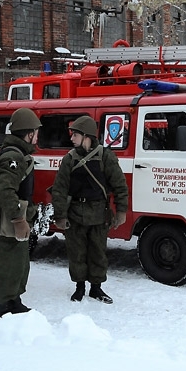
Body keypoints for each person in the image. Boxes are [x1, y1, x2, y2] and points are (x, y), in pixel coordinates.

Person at [51, 115, 128, 304]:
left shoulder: (105, 156)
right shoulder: (69, 159)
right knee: (76, 252)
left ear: (85, 135)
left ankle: (96, 288)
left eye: (75, 134)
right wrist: (60, 215)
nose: (71, 138)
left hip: (99, 213)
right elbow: (60, 189)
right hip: (75, 212)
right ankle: (79, 287)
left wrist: (121, 211)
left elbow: (119, 185)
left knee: (98, 252)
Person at [0, 107, 41, 319]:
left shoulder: (18, 154)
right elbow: (5, 190)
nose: (37, 136)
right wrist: (18, 218)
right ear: (28, 134)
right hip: (8, 219)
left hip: (15, 215)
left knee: (19, 262)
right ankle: (3, 307)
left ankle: (14, 300)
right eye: (35, 132)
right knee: (8, 263)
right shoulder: (12, 157)